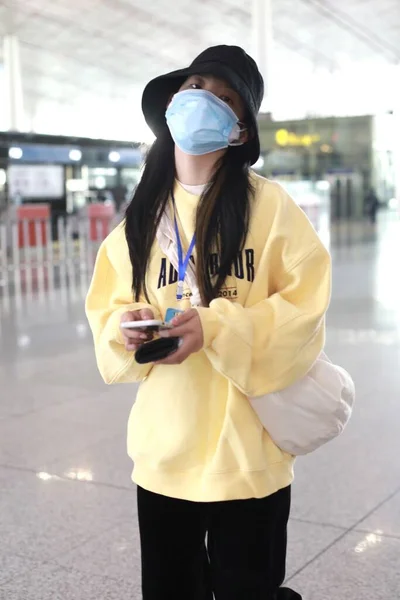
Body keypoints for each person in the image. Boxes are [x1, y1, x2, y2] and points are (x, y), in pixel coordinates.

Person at [86, 45, 331, 600]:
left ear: (241, 131)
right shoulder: (142, 218)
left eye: (225, 98)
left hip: (250, 452)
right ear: (172, 103)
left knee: (251, 589)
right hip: (166, 449)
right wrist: (127, 327)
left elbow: (306, 307)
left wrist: (216, 328)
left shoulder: (271, 208)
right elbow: (107, 306)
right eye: (196, 86)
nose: (204, 101)